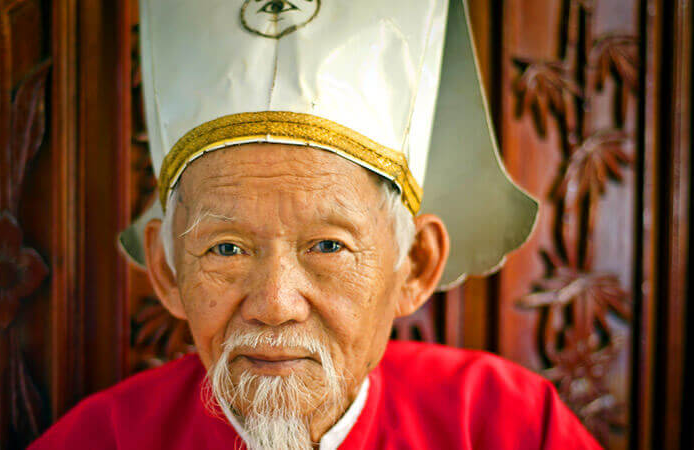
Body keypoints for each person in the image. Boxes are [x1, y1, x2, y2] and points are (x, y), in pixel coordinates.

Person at [30, 0, 601, 448]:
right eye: (226, 248)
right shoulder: (102, 438)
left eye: (328, 245)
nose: (275, 304)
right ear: (167, 270)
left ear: (416, 266)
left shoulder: (509, 428)